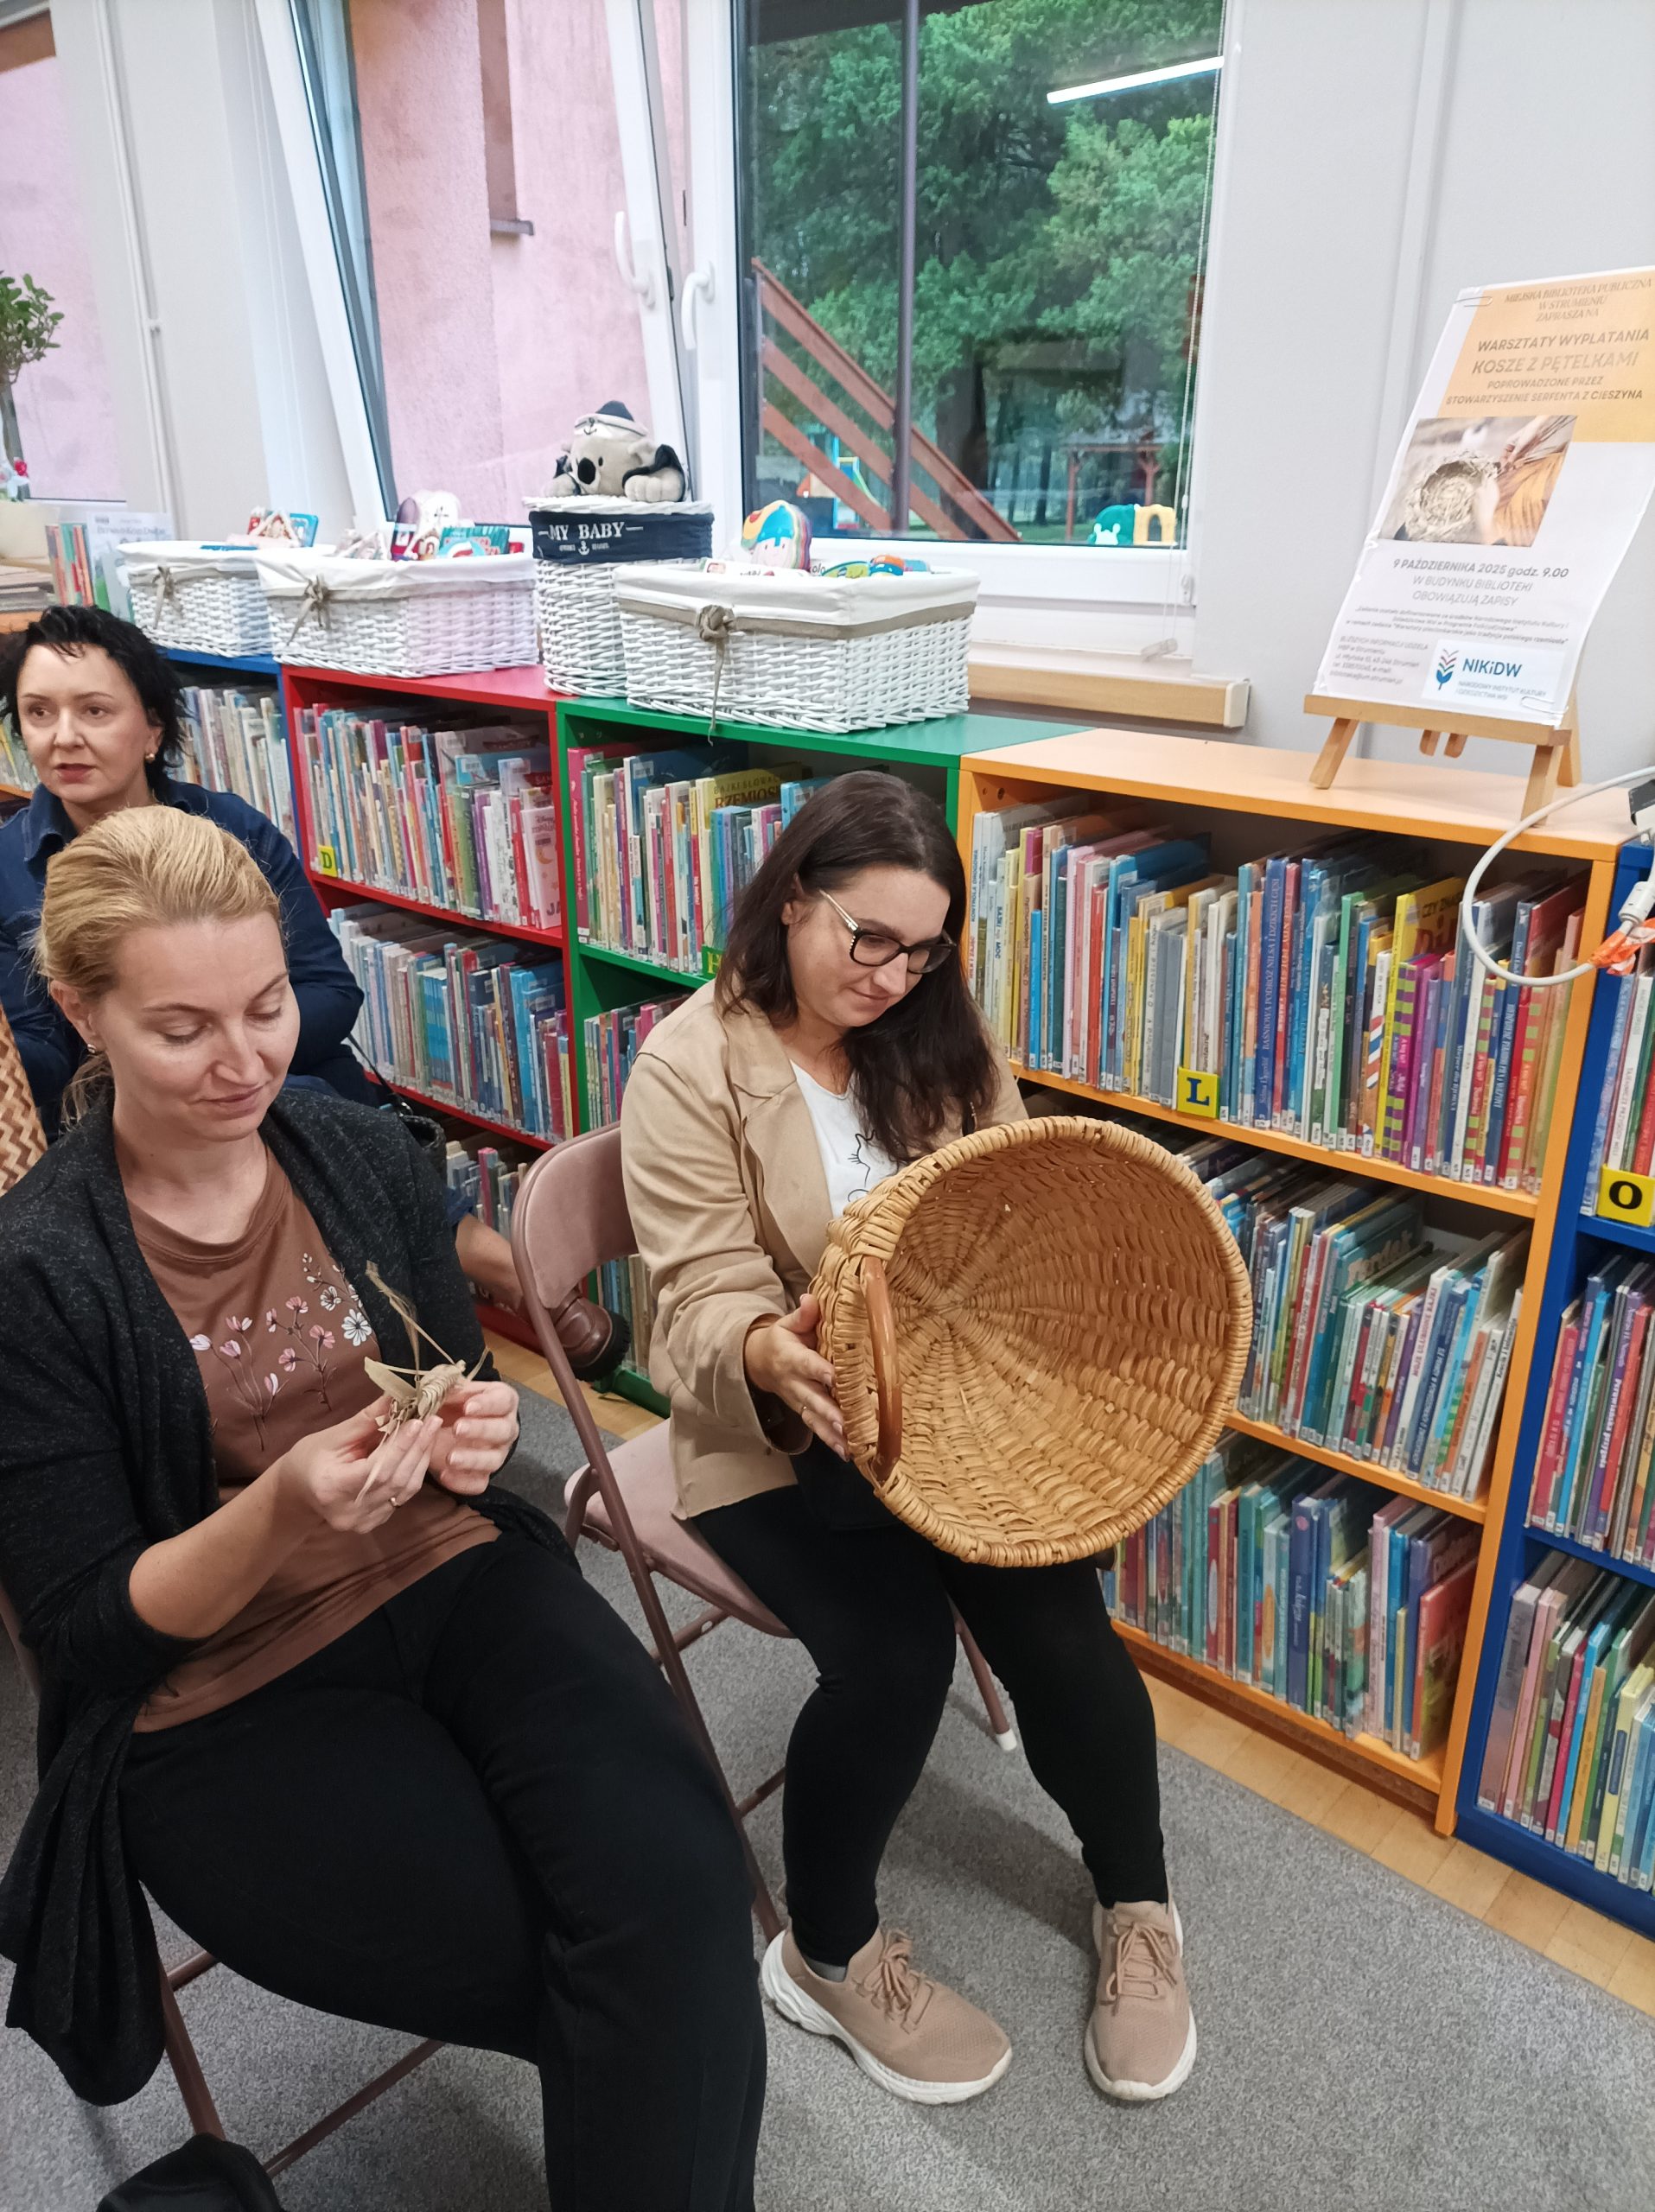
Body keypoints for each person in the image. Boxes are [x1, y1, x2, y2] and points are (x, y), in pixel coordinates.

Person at [0, 807, 765, 2209]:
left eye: (268, 1005)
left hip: (448, 1570)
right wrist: (286, 1506)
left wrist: (470, 1429)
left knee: (679, 1893)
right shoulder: (37, 1274)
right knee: (622, 1971)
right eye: (183, 1030)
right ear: (80, 1012)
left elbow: (442, 1380)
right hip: (220, 1686)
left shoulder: (352, 1153)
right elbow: (92, 1629)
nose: (246, 1061)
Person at [621, 772, 1191, 2109]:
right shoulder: (688, 1064)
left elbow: (1010, 1197)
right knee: (891, 1654)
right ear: (789, 899)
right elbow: (694, 1299)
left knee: (1059, 1621)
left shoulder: (932, 1027)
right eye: (863, 936)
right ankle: (823, 1954)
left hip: (946, 1407)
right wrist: (766, 1352)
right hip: (776, 1424)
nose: (887, 977)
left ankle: (1138, 1906)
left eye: (919, 950)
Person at [0, 603, 623, 1373]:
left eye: (94, 710)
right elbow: (38, 1058)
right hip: (130, 1106)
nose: (63, 737)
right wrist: (160, 1047)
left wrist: (254, 1039)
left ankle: (463, 1289)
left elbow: (329, 990)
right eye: (39, 713)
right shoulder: (7, 872)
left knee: (317, 1115)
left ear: (153, 728)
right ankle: (499, 1267)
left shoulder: (233, 828)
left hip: (300, 1080)